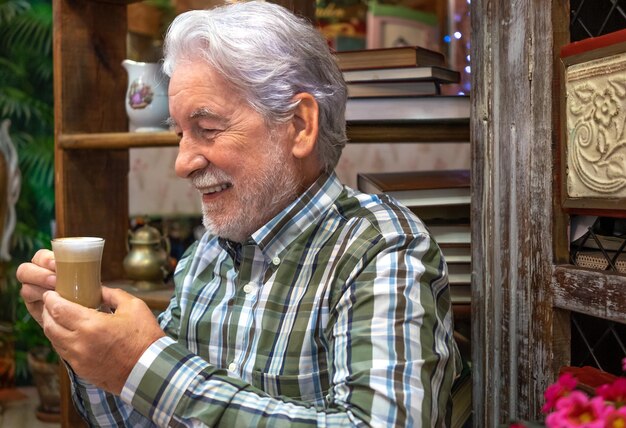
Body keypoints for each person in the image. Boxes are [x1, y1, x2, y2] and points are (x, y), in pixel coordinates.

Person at [17, 1, 460, 426]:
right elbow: (145, 417)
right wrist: (90, 347)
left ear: (300, 126)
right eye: (180, 134)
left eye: (206, 129)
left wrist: (144, 364)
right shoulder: (205, 255)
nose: (182, 162)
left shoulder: (382, 249)